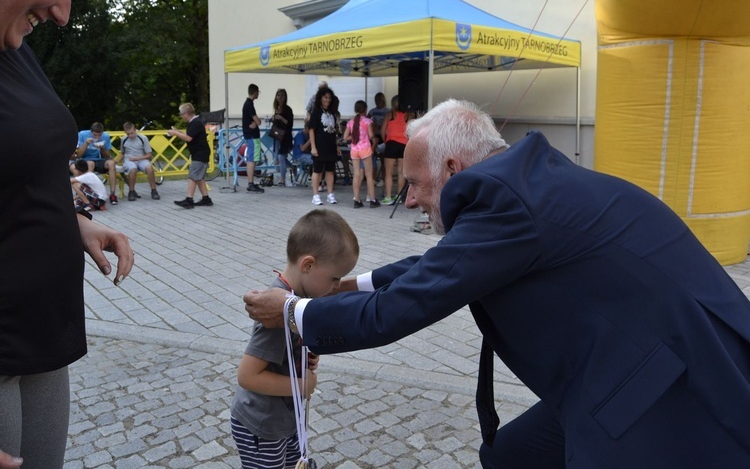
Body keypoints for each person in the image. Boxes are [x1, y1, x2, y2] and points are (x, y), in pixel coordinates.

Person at [244, 99, 750, 468]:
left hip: (666, 388)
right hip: (644, 358)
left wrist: (291, 312)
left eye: (414, 183)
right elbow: (447, 265)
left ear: (450, 168)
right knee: (511, 458)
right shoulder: (520, 183)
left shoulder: (506, 200)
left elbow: (397, 311)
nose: (412, 198)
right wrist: (350, 285)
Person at [0, 0, 134, 466]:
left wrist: (76, 221)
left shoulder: (14, 44)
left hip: (44, 330)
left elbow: (24, 166)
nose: (62, 12)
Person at [231, 209, 358, 468]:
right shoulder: (277, 313)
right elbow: (248, 376)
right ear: (308, 265)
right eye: (334, 279)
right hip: (262, 425)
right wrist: (302, 385)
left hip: (285, 418)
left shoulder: (296, 299)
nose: (336, 286)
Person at [168, 103, 213, 208]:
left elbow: (189, 138)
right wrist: (178, 132)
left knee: (192, 176)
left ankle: (189, 199)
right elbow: (190, 135)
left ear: (187, 114)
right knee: (199, 177)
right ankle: (206, 199)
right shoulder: (194, 122)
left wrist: (175, 134)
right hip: (200, 152)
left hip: (200, 153)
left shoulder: (195, 123)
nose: (181, 116)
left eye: (181, 114)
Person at [71, 121, 119, 205]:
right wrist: (86, 143)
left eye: (99, 135)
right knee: (90, 163)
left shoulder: (105, 136)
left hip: (99, 159)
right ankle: (89, 195)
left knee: (111, 163)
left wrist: (102, 148)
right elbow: (79, 155)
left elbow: (107, 156)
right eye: (95, 135)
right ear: (91, 132)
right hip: (85, 160)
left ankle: (112, 194)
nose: (97, 137)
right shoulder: (83, 134)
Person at [343, 100, 380, 209]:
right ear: (365, 109)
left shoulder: (350, 122)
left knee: (356, 174)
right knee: (369, 175)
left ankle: (357, 199)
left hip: (354, 150)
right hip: (365, 149)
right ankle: (372, 200)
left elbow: (345, 137)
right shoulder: (367, 121)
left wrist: (354, 137)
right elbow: (371, 135)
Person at [307, 86, 340, 206]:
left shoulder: (331, 113)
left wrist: (336, 146)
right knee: (317, 170)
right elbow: (311, 129)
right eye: (325, 98)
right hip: (319, 146)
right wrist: (313, 147)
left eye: (329, 98)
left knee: (330, 171)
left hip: (330, 146)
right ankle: (315, 195)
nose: (327, 100)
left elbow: (334, 131)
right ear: (320, 98)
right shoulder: (316, 111)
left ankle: (330, 194)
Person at [380, 95, 414, 205]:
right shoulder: (409, 115)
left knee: (388, 173)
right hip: (404, 144)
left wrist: (386, 141)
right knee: (401, 172)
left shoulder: (390, 115)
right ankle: (398, 197)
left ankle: (388, 197)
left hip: (391, 143)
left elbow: (382, 130)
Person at [117, 121, 160, 201]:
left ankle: (154, 190)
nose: (130, 135)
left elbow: (149, 154)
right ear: (125, 132)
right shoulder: (124, 139)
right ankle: (131, 191)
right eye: (128, 134)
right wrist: (116, 161)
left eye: (132, 133)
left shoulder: (143, 138)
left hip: (141, 158)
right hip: (129, 160)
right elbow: (122, 153)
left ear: (135, 130)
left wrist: (137, 158)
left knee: (149, 168)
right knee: (133, 169)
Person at [243, 83, 264, 193]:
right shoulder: (249, 105)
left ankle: (251, 182)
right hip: (252, 136)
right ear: (255, 92)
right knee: (251, 159)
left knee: (252, 158)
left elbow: (255, 122)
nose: (258, 94)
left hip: (250, 135)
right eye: (258, 92)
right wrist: (257, 123)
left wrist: (256, 123)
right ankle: (250, 183)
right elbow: (258, 121)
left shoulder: (248, 104)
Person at [271, 88, 294, 187]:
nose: (280, 97)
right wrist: (273, 119)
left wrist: (281, 118)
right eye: (278, 95)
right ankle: (293, 167)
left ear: (285, 97)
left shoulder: (288, 109)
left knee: (281, 156)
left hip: (285, 137)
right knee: (277, 157)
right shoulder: (276, 108)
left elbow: (290, 124)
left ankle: (282, 180)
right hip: (276, 135)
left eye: (282, 95)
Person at [366, 92, 389, 185]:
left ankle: (383, 179)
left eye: (380, 100)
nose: (378, 102)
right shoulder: (372, 111)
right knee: (373, 159)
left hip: (384, 136)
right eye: (376, 100)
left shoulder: (388, 111)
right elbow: (366, 121)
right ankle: (373, 179)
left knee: (384, 159)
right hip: (374, 136)